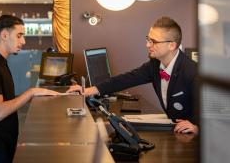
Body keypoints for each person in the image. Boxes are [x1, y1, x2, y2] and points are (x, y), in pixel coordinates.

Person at [68, 16, 198, 135]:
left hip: (194, 139)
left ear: (172, 45)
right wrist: (88, 90)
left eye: (153, 42)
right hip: (175, 132)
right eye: (148, 39)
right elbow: (126, 79)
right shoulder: (154, 65)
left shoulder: (192, 71)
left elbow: (215, 114)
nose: (147, 45)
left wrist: (197, 128)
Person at [0, 15, 59, 163]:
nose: (23, 41)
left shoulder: (1, 62)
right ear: (4, 35)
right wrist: (31, 92)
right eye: (19, 36)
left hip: (4, 143)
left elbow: (6, 101)